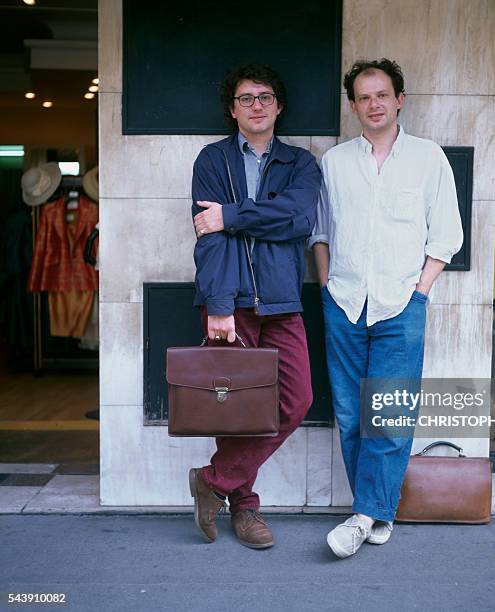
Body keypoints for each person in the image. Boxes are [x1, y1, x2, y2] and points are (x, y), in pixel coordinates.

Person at [309, 58, 463, 558]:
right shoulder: (334, 162)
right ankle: (376, 509)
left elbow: (447, 234)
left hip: (402, 303)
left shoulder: (428, 157)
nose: (373, 104)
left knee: (390, 418)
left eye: (382, 94)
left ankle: (363, 516)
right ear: (352, 105)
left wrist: (420, 290)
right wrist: (327, 282)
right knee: (353, 415)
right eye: (363, 97)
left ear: (399, 99)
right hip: (345, 301)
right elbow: (321, 231)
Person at [190, 63, 321, 549]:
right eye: (246, 98)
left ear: (279, 105)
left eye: (265, 97)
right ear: (232, 108)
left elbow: (299, 219)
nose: (256, 105)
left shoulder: (300, 164)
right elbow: (210, 238)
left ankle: (214, 481)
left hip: (283, 301)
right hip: (229, 302)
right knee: (237, 411)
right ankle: (244, 508)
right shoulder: (212, 160)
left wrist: (232, 216)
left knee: (296, 399)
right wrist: (220, 306)